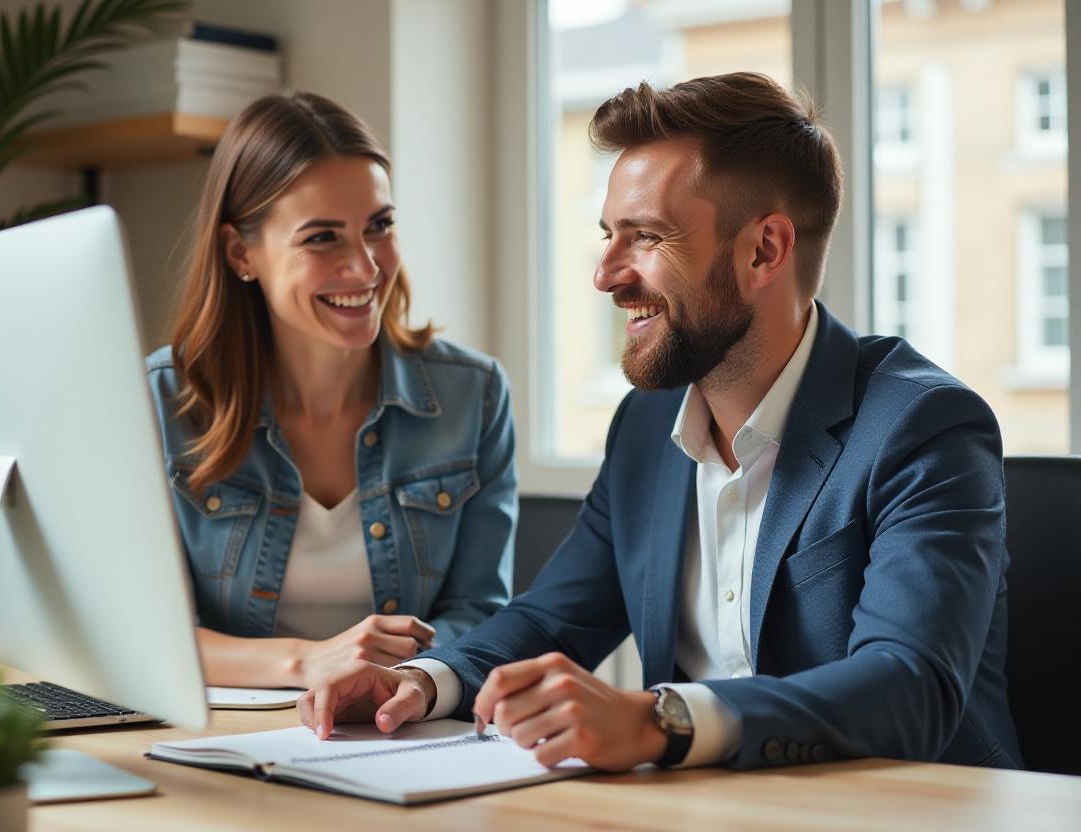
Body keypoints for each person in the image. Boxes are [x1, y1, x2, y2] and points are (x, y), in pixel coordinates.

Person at [298, 72, 1023, 772]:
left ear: (763, 250)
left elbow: (909, 687)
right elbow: (553, 620)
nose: (606, 274)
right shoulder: (646, 427)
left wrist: (660, 720)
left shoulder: (922, 426)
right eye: (608, 233)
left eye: (644, 236)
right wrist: (424, 682)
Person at [145, 93, 517, 690]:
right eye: (323, 238)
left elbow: (481, 614)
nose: (367, 268)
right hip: (219, 737)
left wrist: (401, 679)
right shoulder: (159, 404)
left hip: (400, 724)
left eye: (380, 226)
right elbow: (145, 633)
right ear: (242, 253)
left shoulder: (473, 396)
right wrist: (306, 662)